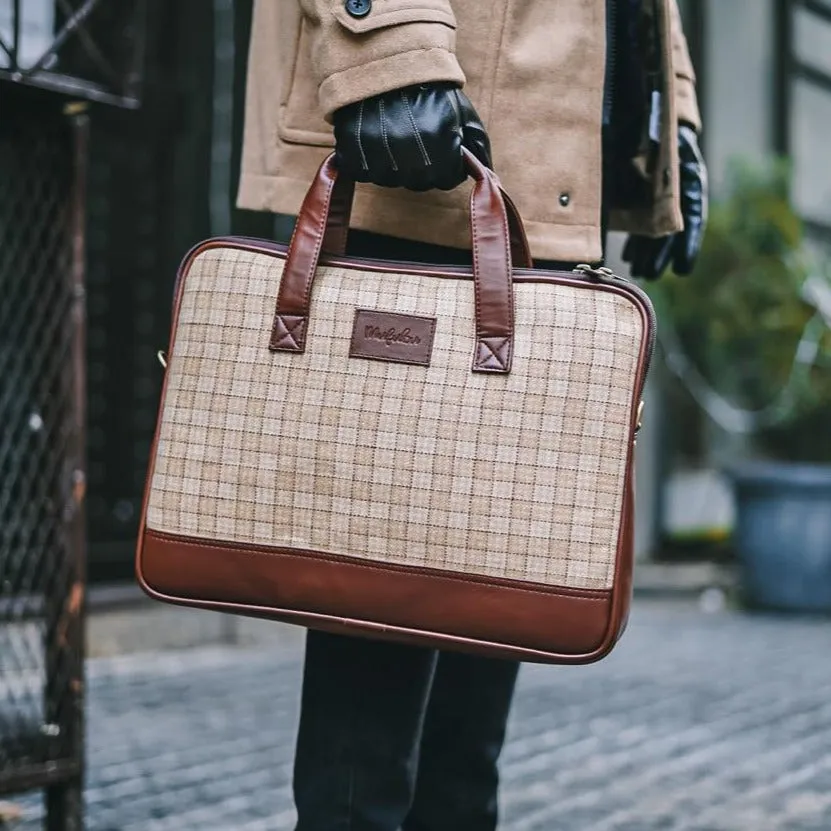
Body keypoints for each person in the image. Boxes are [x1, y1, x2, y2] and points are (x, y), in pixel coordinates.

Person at [236, 2, 707, 828]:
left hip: (546, 140)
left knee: (479, 670)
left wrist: (670, 108)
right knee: (372, 689)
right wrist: (385, 42)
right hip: (422, 123)